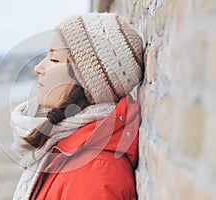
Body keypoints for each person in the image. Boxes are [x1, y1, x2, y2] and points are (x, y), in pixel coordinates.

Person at [10, 12, 144, 200]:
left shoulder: (94, 173)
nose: (38, 67)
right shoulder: (66, 144)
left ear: (87, 82)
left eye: (54, 59)